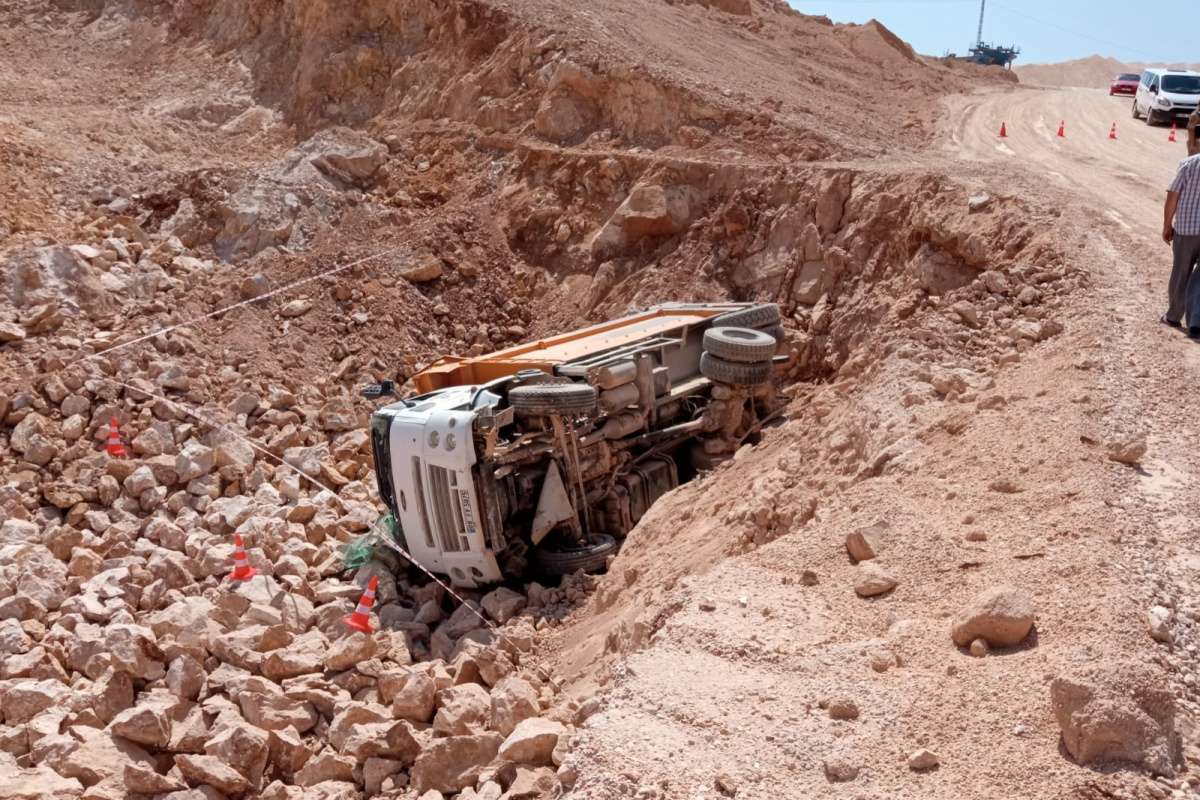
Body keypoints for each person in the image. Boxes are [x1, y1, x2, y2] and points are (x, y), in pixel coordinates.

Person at [1163, 129, 1200, 336]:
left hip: (1186, 229)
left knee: (1181, 272)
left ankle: (1173, 317)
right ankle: (1196, 323)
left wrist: (1167, 225)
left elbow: (1173, 195)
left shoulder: (1189, 164)